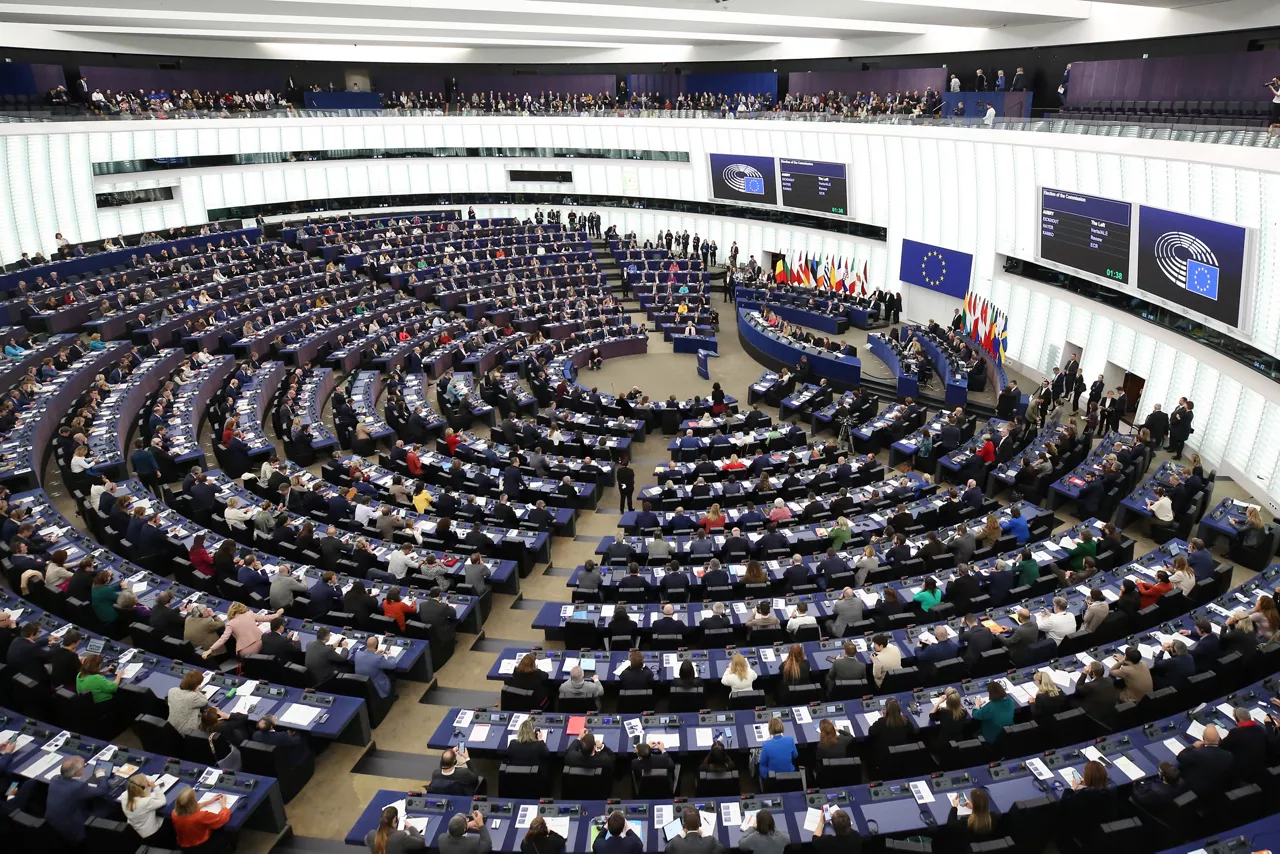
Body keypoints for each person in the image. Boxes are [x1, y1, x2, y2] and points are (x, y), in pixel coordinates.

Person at [46, 756, 109, 844]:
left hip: (51, 823)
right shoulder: (78, 787)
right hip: (71, 828)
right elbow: (103, 790)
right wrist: (101, 776)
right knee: (107, 804)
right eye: (84, 766)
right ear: (77, 772)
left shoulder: (55, 779)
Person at [123, 773, 175, 846]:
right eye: (146, 780)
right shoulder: (145, 802)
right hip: (150, 833)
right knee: (169, 821)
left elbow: (143, 794)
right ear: (142, 787)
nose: (148, 780)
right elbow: (162, 801)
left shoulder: (124, 795)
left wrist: (146, 787)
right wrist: (155, 787)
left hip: (135, 828)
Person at [168, 669, 215, 735]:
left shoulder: (172, 691)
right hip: (188, 732)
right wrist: (196, 690)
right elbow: (204, 701)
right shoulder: (194, 696)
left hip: (170, 729)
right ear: (196, 685)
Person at [757, 716, 796, 782]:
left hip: (773, 777)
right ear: (782, 726)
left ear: (770, 729)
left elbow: (762, 762)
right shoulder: (790, 739)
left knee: (761, 765)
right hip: (789, 774)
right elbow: (795, 755)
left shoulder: (766, 744)